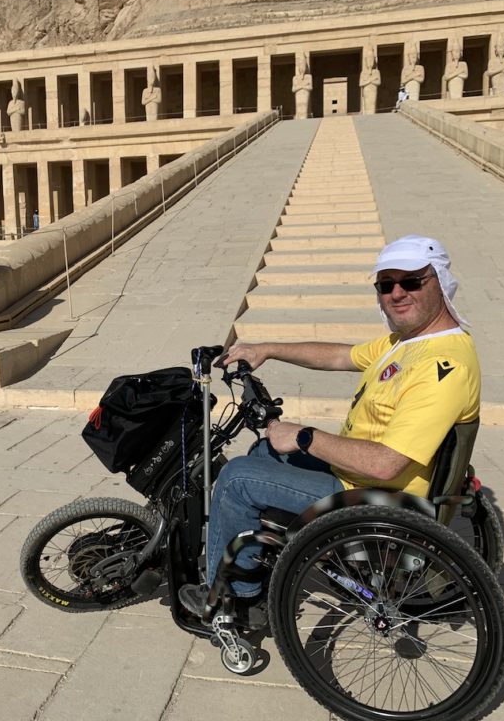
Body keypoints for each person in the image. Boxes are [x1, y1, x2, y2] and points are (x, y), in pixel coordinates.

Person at [179, 235, 481, 618]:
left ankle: (232, 600)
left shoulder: (442, 366)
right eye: (386, 285)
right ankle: (268, 556)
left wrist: (305, 436)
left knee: (237, 478)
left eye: (412, 281)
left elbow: (385, 465)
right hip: (361, 478)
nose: (397, 293)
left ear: (439, 281)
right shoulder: (408, 342)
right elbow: (341, 355)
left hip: (380, 496)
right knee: (264, 452)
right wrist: (268, 348)